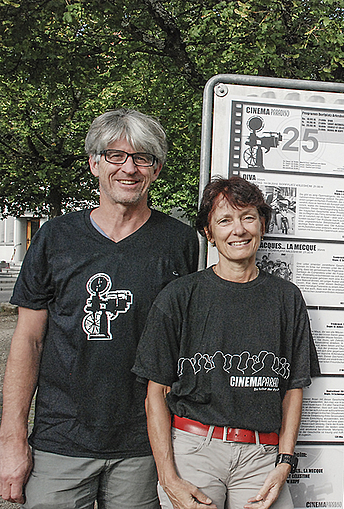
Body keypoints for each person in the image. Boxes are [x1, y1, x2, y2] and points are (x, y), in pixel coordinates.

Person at [0, 109, 199, 508]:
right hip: (62, 440)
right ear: (94, 163)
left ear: (156, 170)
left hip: (143, 445)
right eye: (115, 156)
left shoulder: (181, 243)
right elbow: (29, 341)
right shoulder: (55, 237)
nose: (129, 168)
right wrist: (12, 441)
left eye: (143, 158)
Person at [133, 176, 320, 509]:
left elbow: (294, 387)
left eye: (248, 217)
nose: (239, 230)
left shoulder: (286, 298)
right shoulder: (180, 296)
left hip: (261, 456)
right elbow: (155, 393)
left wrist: (285, 461)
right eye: (225, 220)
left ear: (263, 224)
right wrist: (167, 476)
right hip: (195, 451)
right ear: (209, 232)